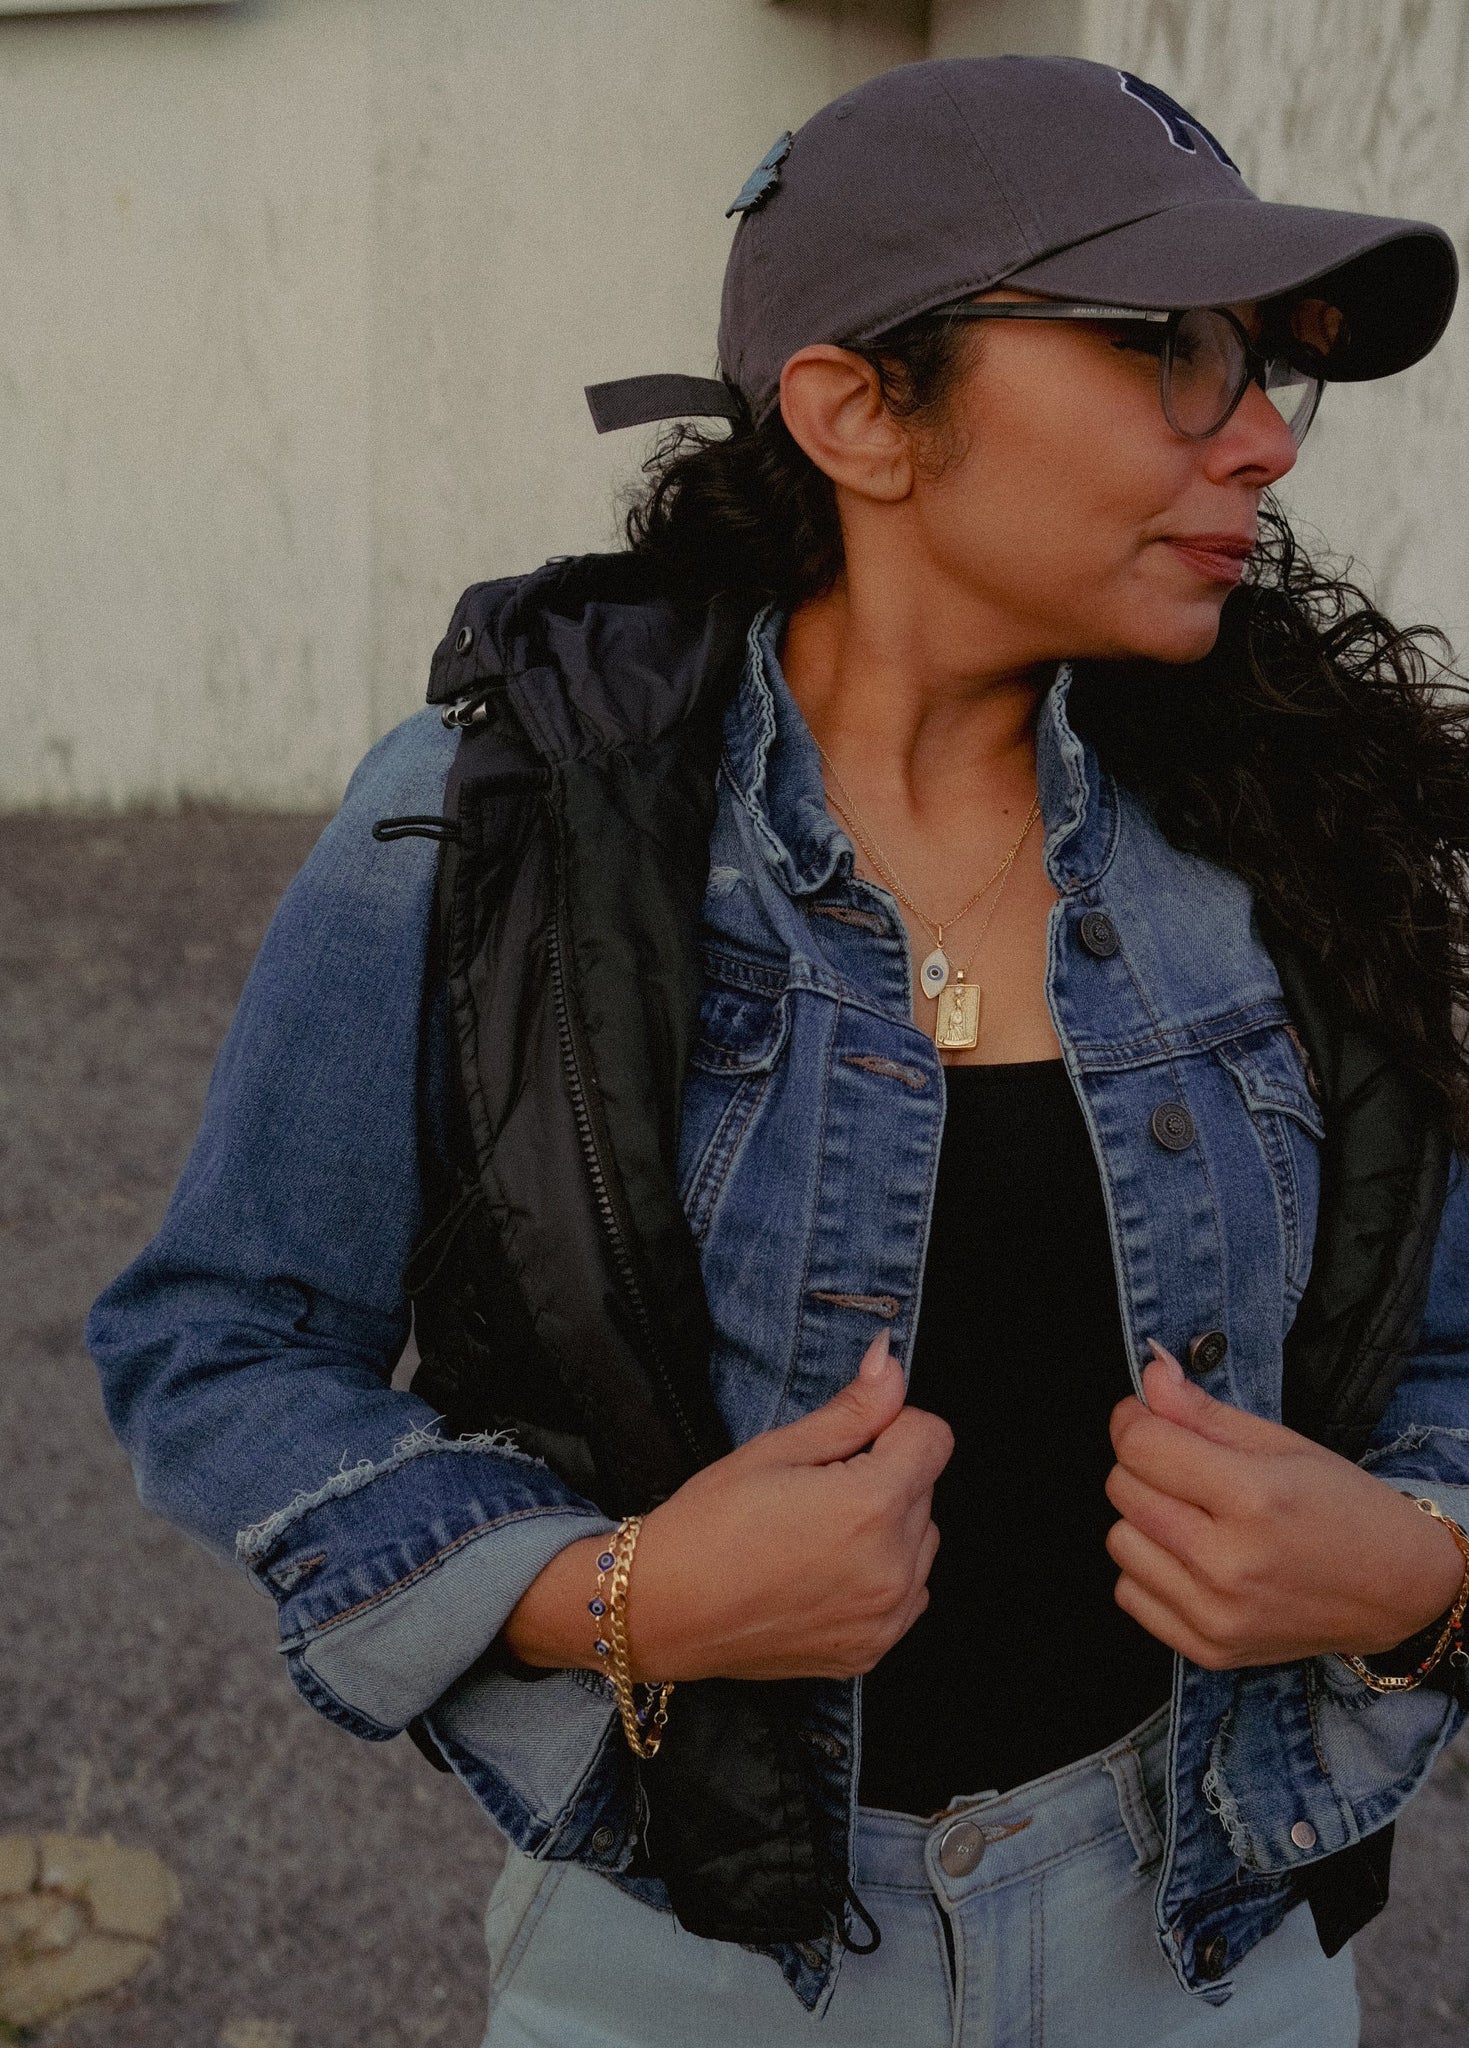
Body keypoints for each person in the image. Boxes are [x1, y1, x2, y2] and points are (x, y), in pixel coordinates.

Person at [88, 55, 1469, 2048]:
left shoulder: (1300, 833)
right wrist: (614, 1597)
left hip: (1219, 1952)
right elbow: (219, 1344)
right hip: (691, 1971)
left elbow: (1446, 1354)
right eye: (1171, 349)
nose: (1260, 437)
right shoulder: (497, 827)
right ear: (855, 412)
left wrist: (1414, 1570)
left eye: (1265, 365)